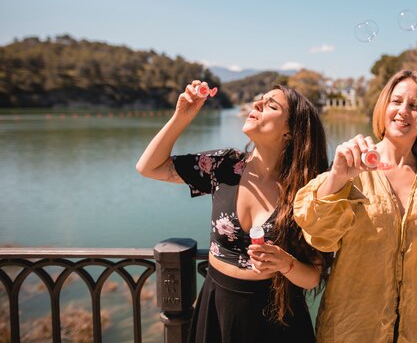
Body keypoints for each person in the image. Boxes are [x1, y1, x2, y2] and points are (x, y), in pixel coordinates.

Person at [136, 81, 331, 343]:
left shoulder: (308, 188)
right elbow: (148, 167)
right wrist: (181, 117)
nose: (257, 103)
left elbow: (312, 277)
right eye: (260, 98)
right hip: (219, 308)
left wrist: (285, 263)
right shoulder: (224, 165)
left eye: (271, 104)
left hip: (279, 319)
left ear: (290, 132)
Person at [293, 70, 417, 343]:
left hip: (416, 332)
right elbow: (318, 231)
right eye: (396, 101)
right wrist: (338, 176)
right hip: (351, 331)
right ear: (383, 107)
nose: (403, 111)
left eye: (414, 106)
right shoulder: (355, 165)